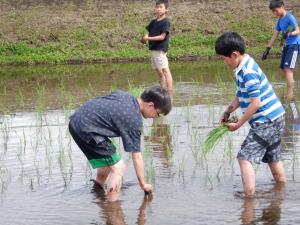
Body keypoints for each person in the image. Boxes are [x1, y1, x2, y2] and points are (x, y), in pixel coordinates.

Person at [68, 86, 172, 201]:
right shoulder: (133, 120)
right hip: (85, 128)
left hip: (77, 119)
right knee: (119, 167)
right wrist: (143, 184)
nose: (155, 117)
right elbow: (136, 156)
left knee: (109, 159)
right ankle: (113, 207)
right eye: (158, 114)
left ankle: (97, 190)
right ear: (151, 105)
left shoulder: (125, 96)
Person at [215, 32, 286, 197]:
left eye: (224, 58)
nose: (224, 62)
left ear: (234, 55)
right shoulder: (242, 65)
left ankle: (249, 198)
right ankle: (282, 192)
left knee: (244, 157)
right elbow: (241, 93)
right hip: (276, 117)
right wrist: (229, 110)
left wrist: (238, 124)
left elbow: (256, 102)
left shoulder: (247, 72)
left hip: (266, 121)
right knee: (273, 158)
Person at [262, 0, 300, 101]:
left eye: (276, 10)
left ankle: (290, 95)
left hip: (294, 45)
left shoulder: (289, 17)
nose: (275, 13)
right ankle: (291, 89)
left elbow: (298, 30)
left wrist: (289, 34)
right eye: (273, 11)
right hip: (287, 46)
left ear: (282, 6)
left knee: (288, 69)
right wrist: (268, 49)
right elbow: (275, 34)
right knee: (283, 67)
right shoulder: (280, 20)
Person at [140, 0, 173, 100]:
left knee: (165, 71)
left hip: (160, 50)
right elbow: (148, 33)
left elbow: (162, 37)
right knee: (159, 72)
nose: (158, 9)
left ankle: (170, 94)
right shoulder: (153, 22)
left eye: (161, 7)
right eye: (157, 7)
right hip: (154, 50)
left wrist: (148, 38)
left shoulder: (166, 22)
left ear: (166, 9)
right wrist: (143, 38)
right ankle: (162, 90)